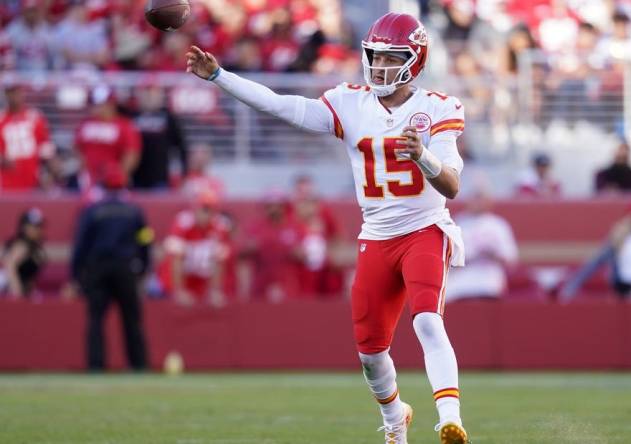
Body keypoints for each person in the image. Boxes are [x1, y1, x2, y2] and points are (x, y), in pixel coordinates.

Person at [186, 12, 470, 443]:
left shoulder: (438, 108)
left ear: (415, 60)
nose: (379, 67)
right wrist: (220, 76)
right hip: (376, 235)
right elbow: (281, 105)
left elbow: (450, 184)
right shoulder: (350, 102)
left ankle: (450, 418)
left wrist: (424, 157)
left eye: (391, 58)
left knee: (428, 320)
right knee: (370, 354)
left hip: (424, 227)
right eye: (374, 57)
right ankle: (396, 418)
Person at [68, 165, 152, 372]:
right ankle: (139, 364)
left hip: (98, 269)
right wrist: (144, 266)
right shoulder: (134, 210)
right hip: (126, 268)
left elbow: (81, 244)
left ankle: (96, 365)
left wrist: (76, 274)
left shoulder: (92, 211)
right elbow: (145, 239)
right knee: (132, 319)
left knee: (95, 319)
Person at [157, 189, 230, 308]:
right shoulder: (183, 221)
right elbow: (173, 250)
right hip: (182, 272)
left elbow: (221, 254)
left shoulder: (220, 225)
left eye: (210, 209)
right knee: (177, 249)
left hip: (202, 274)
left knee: (220, 252)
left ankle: (214, 291)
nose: (206, 214)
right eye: (203, 208)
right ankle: (179, 291)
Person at [445, 183, 518, 301]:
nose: (477, 202)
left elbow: (510, 258)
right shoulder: (458, 223)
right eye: (475, 197)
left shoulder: (498, 225)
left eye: (481, 198)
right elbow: (450, 259)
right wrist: (471, 256)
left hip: (489, 278)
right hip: (461, 278)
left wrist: (492, 254)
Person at [74, 86, 141, 190]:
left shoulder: (124, 125)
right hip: (88, 180)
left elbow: (131, 153)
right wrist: (83, 171)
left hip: (113, 181)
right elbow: (78, 148)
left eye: (98, 104)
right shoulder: (86, 123)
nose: (94, 107)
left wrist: (120, 175)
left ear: (111, 104)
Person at [131, 82, 187, 190]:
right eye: (146, 94)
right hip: (135, 178)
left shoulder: (169, 118)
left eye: (153, 94)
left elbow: (181, 147)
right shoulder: (131, 116)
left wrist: (184, 173)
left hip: (160, 178)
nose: (149, 98)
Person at [0, 83, 56, 191]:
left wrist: (49, 173)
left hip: (32, 177)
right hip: (8, 180)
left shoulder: (34, 117)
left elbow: (45, 147)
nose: (14, 96)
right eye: (10, 93)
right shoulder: (1, 119)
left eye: (16, 92)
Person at [1, 208, 46, 300]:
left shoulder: (34, 248)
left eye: (39, 226)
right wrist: (18, 293)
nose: (37, 230)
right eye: (34, 226)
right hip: (6, 287)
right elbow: (10, 266)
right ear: (24, 227)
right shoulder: (22, 245)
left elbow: (29, 277)